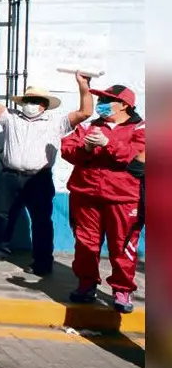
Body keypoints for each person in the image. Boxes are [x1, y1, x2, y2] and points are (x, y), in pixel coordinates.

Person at [0, 60, 93, 274]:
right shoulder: (12, 118)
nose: (31, 104)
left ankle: (42, 261)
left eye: (36, 101)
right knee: (3, 215)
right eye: (28, 100)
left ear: (44, 104)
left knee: (41, 221)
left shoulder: (56, 122)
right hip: (10, 176)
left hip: (38, 178)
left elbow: (85, 112)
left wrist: (83, 86)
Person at [61, 85, 145, 313]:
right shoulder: (89, 126)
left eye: (108, 100)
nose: (101, 104)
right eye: (100, 99)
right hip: (85, 195)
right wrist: (86, 148)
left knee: (122, 245)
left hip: (123, 199)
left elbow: (139, 156)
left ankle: (122, 290)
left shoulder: (141, 127)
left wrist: (109, 144)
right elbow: (67, 148)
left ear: (125, 104)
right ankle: (86, 285)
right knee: (86, 244)